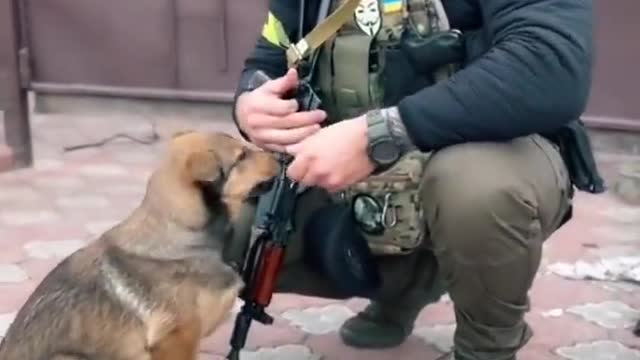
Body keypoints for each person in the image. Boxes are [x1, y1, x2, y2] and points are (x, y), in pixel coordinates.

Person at [230, 0, 602, 359]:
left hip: (477, 157)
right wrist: (250, 103)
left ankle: (487, 348)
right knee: (211, 228)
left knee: (478, 190)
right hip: (348, 183)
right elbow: (272, 54)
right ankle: (404, 289)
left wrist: (378, 136)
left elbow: (550, 65)